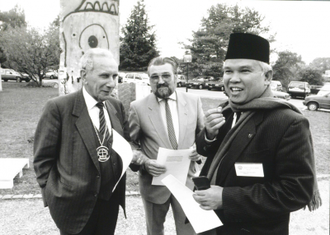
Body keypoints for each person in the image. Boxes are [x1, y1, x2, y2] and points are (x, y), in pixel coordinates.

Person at [193, 33, 320, 235]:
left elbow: (296, 191)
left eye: (244, 70)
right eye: (228, 71)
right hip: (210, 224)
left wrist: (226, 198)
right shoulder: (226, 110)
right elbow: (204, 149)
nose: (233, 79)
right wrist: (208, 134)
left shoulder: (288, 122)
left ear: (267, 77)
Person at [33, 48, 137, 235]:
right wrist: (54, 196)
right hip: (74, 205)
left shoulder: (116, 106)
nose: (112, 83)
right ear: (84, 76)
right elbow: (42, 161)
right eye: (104, 76)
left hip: (109, 203)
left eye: (115, 76)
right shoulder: (59, 108)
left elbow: (126, 143)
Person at [128, 56, 205, 235]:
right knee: (154, 232)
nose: (160, 81)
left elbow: (203, 137)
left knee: (189, 232)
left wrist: (199, 150)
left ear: (176, 77)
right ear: (149, 80)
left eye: (166, 76)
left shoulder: (194, 101)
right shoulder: (137, 107)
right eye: (154, 77)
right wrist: (145, 162)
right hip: (154, 184)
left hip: (187, 182)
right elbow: (131, 143)